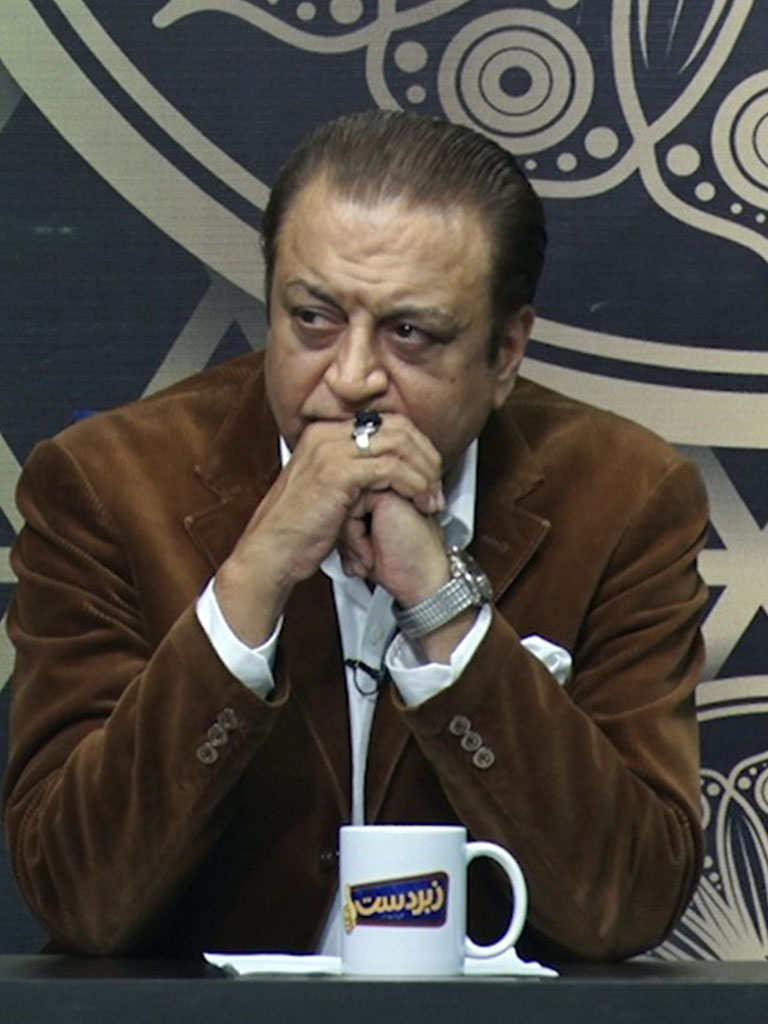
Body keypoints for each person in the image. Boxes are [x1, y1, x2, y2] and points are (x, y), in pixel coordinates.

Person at [4, 110, 708, 965]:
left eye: (410, 333)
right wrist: (253, 580)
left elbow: (626, 905)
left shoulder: (624, 498)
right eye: (313, 318)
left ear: (505, 352)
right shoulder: (108, 485)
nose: (350, 377)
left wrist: (443, 609)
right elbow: (80, 895)